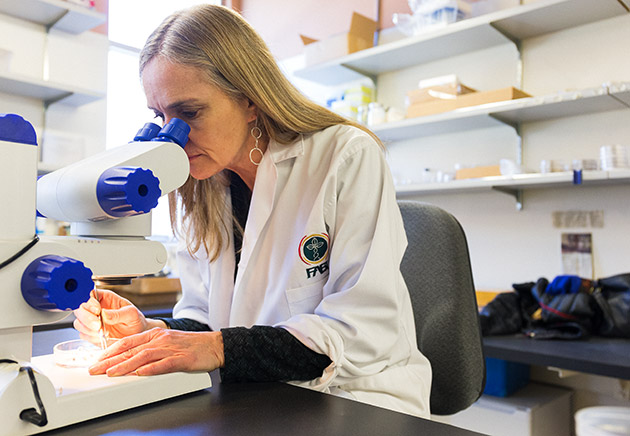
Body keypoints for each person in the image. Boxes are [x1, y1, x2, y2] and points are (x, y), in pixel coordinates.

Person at [73, 4, 431, 418]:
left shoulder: (345, 156)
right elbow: (206, 320)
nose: (175, 137)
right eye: (161, 116)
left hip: (357, 398)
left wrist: (218, 347)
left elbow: (361, 330)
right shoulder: (200, 183)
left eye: (189, 113)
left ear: (249, 101)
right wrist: (154, 332)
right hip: (255, 395)